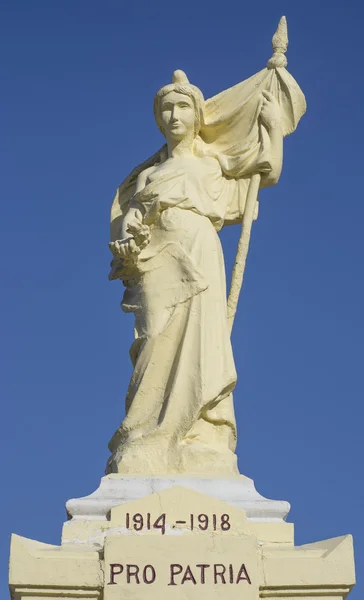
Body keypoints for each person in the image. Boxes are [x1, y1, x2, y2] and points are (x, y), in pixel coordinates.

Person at [107, 70, 283, 475]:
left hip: (200, 253)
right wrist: (129, 243)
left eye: (182, 106)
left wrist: (271, 129)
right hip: (158, 262)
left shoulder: (211, 165)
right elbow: (130, 227)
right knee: (153, 340)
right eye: (166, 108)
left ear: (197, 115)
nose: (173, 115)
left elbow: (264, 172)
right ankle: (143, 434)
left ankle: (201, 433)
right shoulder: (147, 176)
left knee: (202, 340)